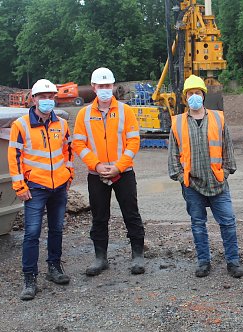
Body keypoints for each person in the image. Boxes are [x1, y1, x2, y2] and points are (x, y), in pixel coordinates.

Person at [168, 75, 243, 278]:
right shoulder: (177, 123)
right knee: (198, 225)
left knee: (228, 223)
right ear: (185, 98)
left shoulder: (218, 119)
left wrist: (226, 172)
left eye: (197, 93)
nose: (194, 96)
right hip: (192, 184)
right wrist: (181, 178)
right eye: (190, 93)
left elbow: (228, 147)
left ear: (203, 95)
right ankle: (203, 262)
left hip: (218, 182)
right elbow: (173, 155)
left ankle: (233, 262)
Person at [72, 67, 145, 276]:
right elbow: (79, 144)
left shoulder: (126, 111)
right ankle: (100, 257)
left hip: (124, 173)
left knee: (131, 214)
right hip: (97, 175)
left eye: (108, 86)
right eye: (101, 86)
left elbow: (133, 141)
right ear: (94, 87)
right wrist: (96, 165)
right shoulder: (83, 114)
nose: (105, 89)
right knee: (99, 217)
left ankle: (138, 255)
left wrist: (118, 166)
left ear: (113, 86)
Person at [8, 79, 73, 301]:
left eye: (50, 96)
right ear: (34, 99)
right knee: (32, 233)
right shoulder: (21, 125)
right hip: (35, 188)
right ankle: (29, 278)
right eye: (42, 97)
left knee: (56, 229)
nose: (47, 100)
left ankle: (54, 268)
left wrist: (69, 174)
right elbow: (14, 157)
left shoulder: (61, 124)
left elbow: (68, 152)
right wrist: (19, 185)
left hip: (59, 187)